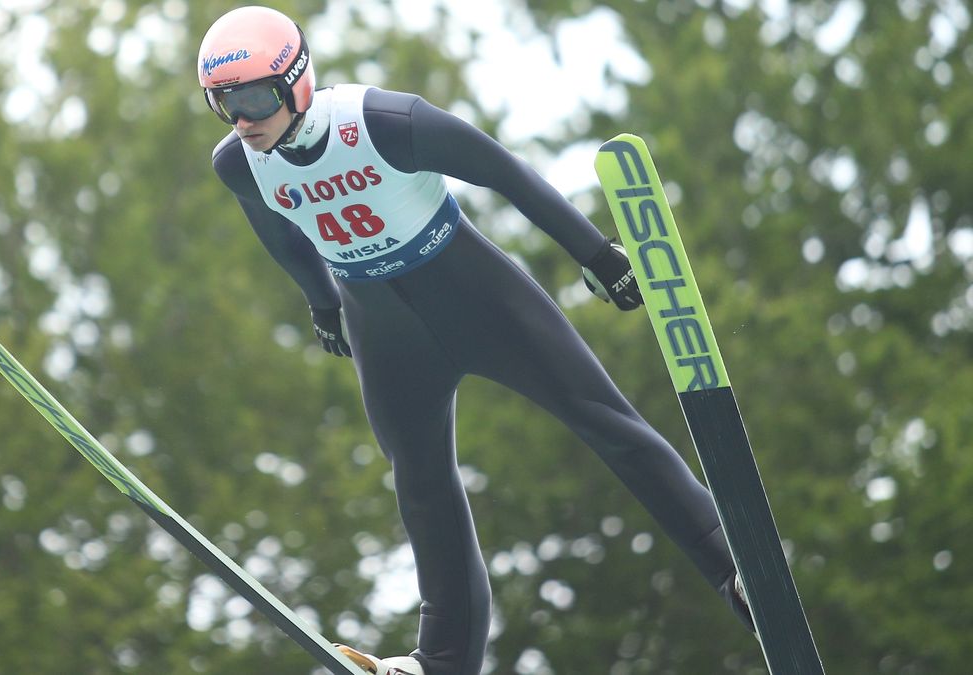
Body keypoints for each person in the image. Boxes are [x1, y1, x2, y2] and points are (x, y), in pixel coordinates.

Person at [198, 7, 753, 674]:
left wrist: (595, 252)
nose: (241, 118)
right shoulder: (238, 164)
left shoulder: (382, 122)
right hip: (385, 329)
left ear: (296, 81)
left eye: (253, 97)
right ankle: (443, 662)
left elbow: (503, 171)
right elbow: (278, 230)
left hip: (478, 297)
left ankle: (736, 570)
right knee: (422, 487)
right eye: (222, 103)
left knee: (608, 423)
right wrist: (321, 301)